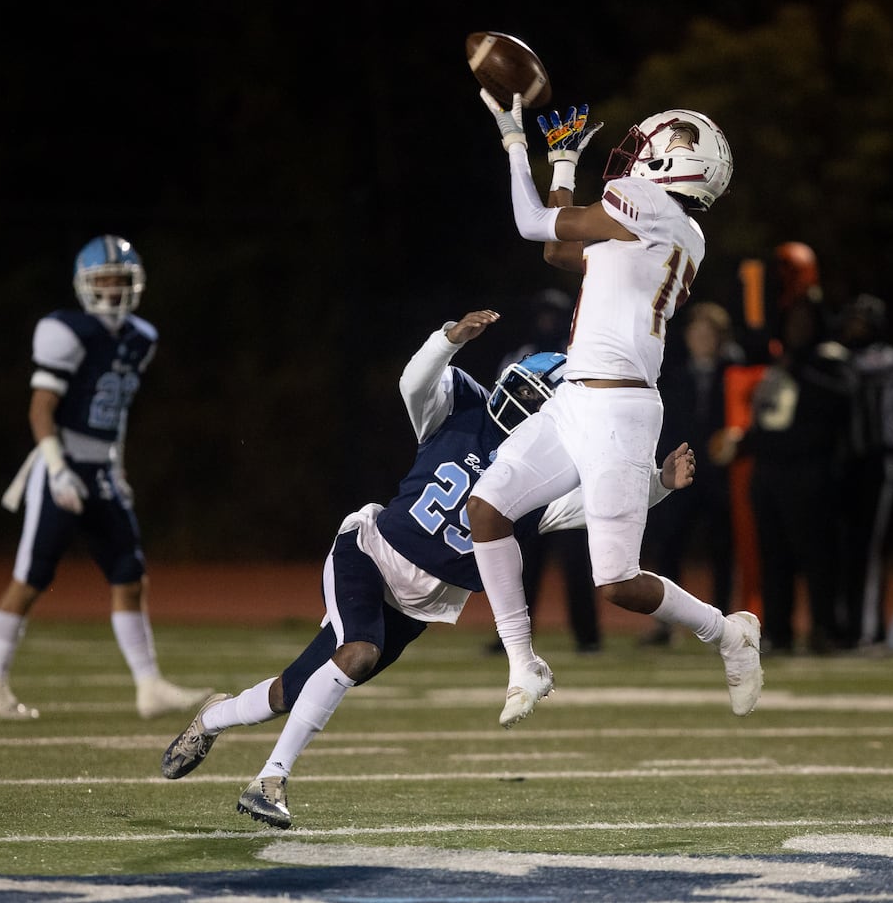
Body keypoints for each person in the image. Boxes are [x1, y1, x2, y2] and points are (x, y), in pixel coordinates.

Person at [158, 309, 696, 828]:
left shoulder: (546, 482)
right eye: (523, 389)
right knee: (358, 653)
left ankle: (210, 718)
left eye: (538, 400)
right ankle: (270, 781)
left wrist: (659, 484)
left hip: (419, 605)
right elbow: (414, 384)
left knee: (291, 691)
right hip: (370, 553)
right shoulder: (461, 407)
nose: (522, 402)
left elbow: (599, 507)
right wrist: (448, 339)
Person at [466, 90, 763, 728]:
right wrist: (566, 167)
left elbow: (529, 225)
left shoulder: (649, 206)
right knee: (486, 510)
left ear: (676, 166)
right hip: (576, 395)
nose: (638, 154)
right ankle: (523, 662)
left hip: (621, 410)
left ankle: (728, 632)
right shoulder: (670, 231)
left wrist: (514, 140)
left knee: (618, 583)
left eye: (655, 146)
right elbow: (556, 248)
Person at [0, 235, 211, 721]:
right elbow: (41, 409)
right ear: (84, 284)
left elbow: (118, 413)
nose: (111, 288)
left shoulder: (140, 337)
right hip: (61, 466)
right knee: (32, 577)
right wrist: (57, 470)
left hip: (100, 469)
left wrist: (116, 466)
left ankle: (149, 687)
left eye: (119, 279)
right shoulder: (66, 331)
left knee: (129, 574)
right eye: (103, 279)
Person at [712, 293, 856, 654]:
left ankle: (825, 628)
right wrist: (743, 443)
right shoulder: (779, 362)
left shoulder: (828, 362)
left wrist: (802, 371)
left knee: (817, 556)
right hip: (770, 472)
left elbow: (838, 405)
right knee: (773, 556)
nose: (798, 328)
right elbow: (768, 420)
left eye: (805, 321)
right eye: (793, 320)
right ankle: (779, 630)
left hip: (809, 471)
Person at [486, 288, 602, 656]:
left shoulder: (579, 358)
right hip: (527, 468)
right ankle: (513, 638)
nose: (548, 321)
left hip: (568, 470)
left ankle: (588, 636)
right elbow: (498, 409)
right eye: (544, 314)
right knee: (521, 561)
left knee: (575, 560)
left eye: (555, 314)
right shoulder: (518, 358)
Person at [638, 300, 746, 646]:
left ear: (720, 338)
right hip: (681, 472)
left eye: (708, 333)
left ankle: (721, 622)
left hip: (719, 475)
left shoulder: (734, 372)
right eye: (696, 332)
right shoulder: (674, 374)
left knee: (723, 549)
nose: (700, 339)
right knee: (669, 544)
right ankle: (666, 625)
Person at [835, 293, 893, 649]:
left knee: (869, 549)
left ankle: (870, 631)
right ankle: (847, 626)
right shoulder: (843, 357)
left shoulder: (885, 357)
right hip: (848, 462)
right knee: (845, 548)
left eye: (861, 322)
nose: (853, 328)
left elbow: (854, 370)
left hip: (878, 459)